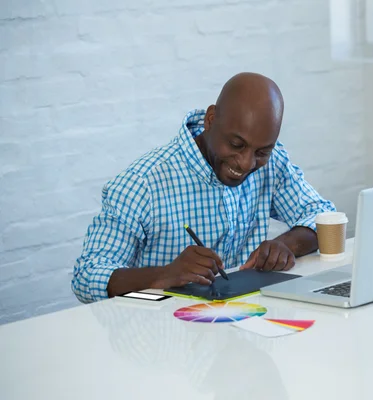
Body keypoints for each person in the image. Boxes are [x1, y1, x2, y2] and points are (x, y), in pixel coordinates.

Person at [72, 72, 336, 303]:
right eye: (236, 145)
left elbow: (323, 215)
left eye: (261, 151)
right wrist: (165, 275)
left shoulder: (272, 161)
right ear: (211, 119)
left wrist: (285, 245)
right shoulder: (142, 185)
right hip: (167, 341)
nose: (246, 163)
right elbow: (87, 276)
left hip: (250, 326)